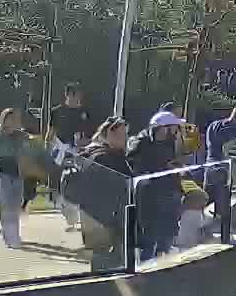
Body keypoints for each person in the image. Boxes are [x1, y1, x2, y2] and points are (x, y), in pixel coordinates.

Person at [75, 118, 134, 270]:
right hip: (105, 220)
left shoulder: (97, 153)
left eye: (126, 135)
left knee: (102, 259)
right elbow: (117, 189)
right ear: (109, 135)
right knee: (107, 262)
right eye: (121, 135)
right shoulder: (104, 158)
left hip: (95, 218)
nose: (125, 139)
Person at [129, 113, 186, 259]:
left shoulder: (170, 142)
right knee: (149, 234)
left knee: (167, 231)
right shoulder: (141, 142)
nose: (177, 130)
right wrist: (163, 166)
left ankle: (163, 255)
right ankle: (146, 262)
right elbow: (136, 166)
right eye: (174, 127)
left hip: (168, 191)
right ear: (163, 128)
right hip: (150, 194)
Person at [48, 84, 91, 231]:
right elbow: (51, 133)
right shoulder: (56, 111)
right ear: (69, 95)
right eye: (77, 94)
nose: (80, 98)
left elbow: (84, 135)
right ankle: (67, 213)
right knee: (60, 183)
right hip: (59, 151)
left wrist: (83, 145)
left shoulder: (83, 112)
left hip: (76, 152)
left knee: (75, 181)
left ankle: (74, 216)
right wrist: (49, 148)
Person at [0, 108, 31, 248]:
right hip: (3, 174)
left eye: (15, 119)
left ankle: (10, 232)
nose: (13, 121)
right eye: (10, 119)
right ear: (4, 119)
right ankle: (11, 236)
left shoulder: (21, 136)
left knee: (15, 205)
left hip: (18, 174)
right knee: (6, 206)